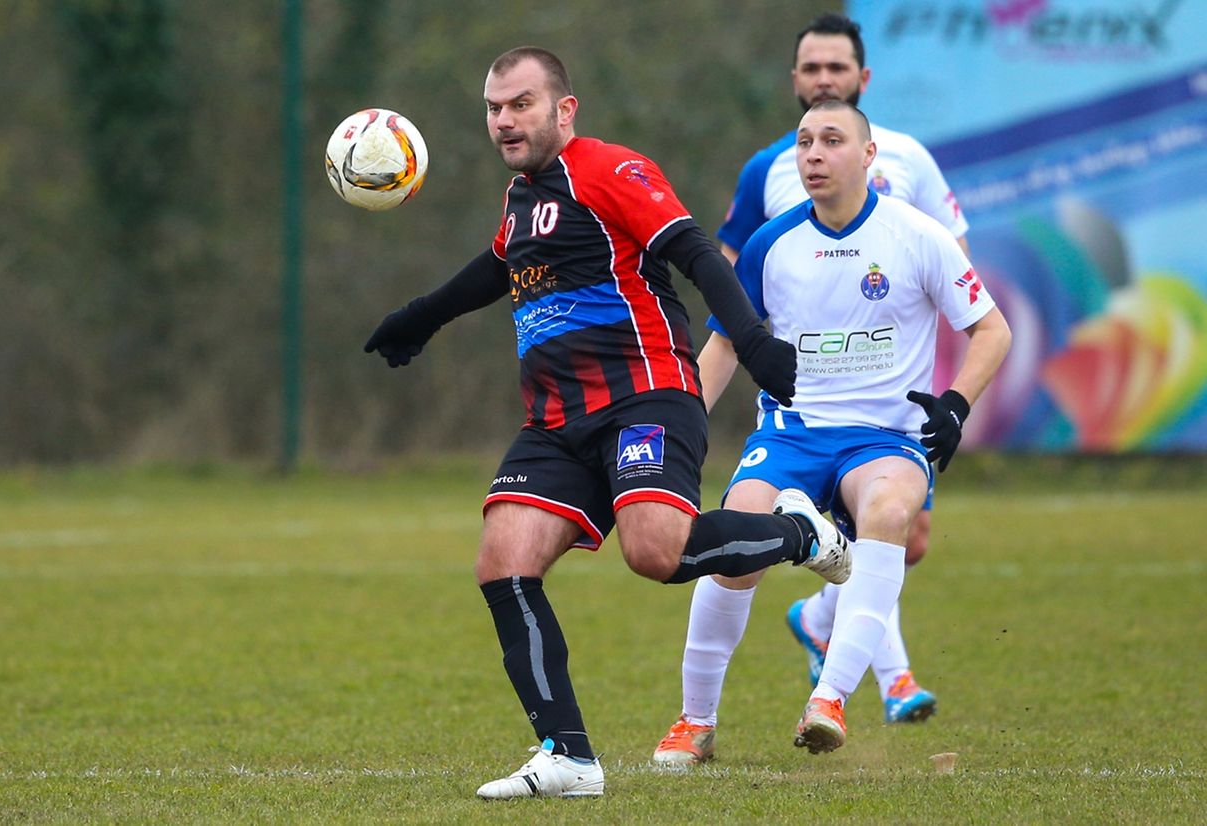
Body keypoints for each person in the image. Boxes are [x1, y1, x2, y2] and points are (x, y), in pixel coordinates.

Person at [364, 47, 852, 799]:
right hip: (556, 420)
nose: (504, 120)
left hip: (644, 396)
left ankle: (800, 533)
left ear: (565, 109)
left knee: (655, 552)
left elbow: (691, 249)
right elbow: (498, 268)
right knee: (502, 563)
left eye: (520, 103)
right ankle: (568, 757)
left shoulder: (610, 169)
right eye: (494, 108)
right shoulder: (522, 197)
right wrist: (420, 318)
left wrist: (752, 343)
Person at [654, 13, 977, 766]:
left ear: (871, 149)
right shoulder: (770, 231)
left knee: (894, 518)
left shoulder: (914, 220)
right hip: (793, 432)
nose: (814, 153)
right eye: (806, 142)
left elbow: (980, 314)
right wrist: (681, 423)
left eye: (832, 141)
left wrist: (955, 403)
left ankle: (831, 698)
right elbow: (730, 332)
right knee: (735, 540)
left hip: (886, 434)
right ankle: (693, 722)